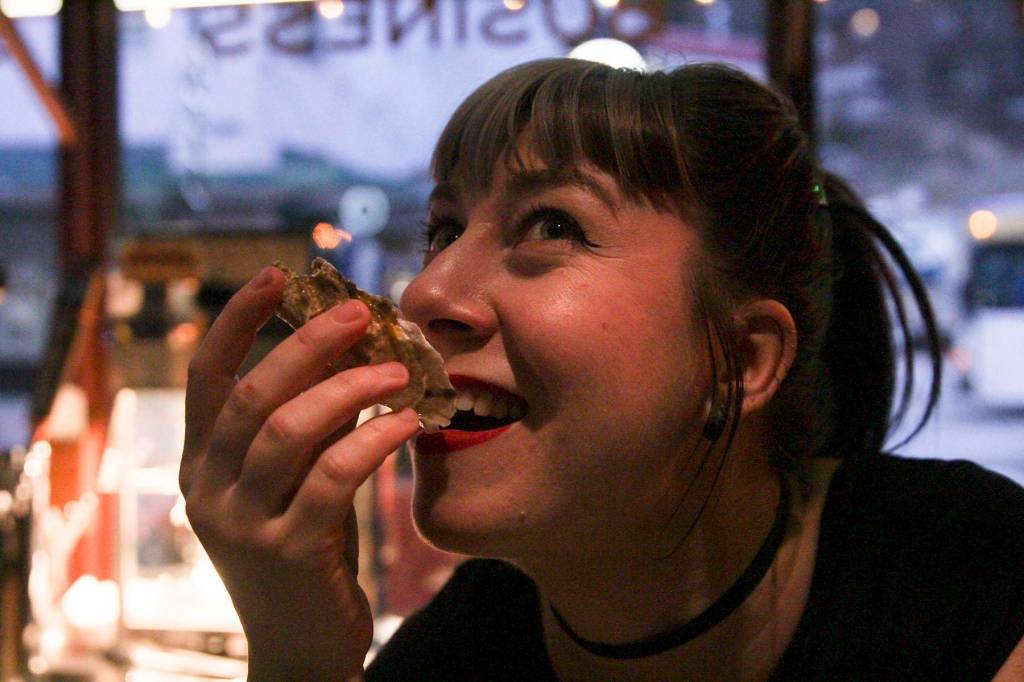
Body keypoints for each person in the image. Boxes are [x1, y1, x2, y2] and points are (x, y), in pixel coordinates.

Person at [179, 59, 1024, 681]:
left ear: (743, 359)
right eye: (444, 231)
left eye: (552, 225)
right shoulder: (462, 650)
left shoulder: (966, 579)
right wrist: (298, 656)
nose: (426, 292)